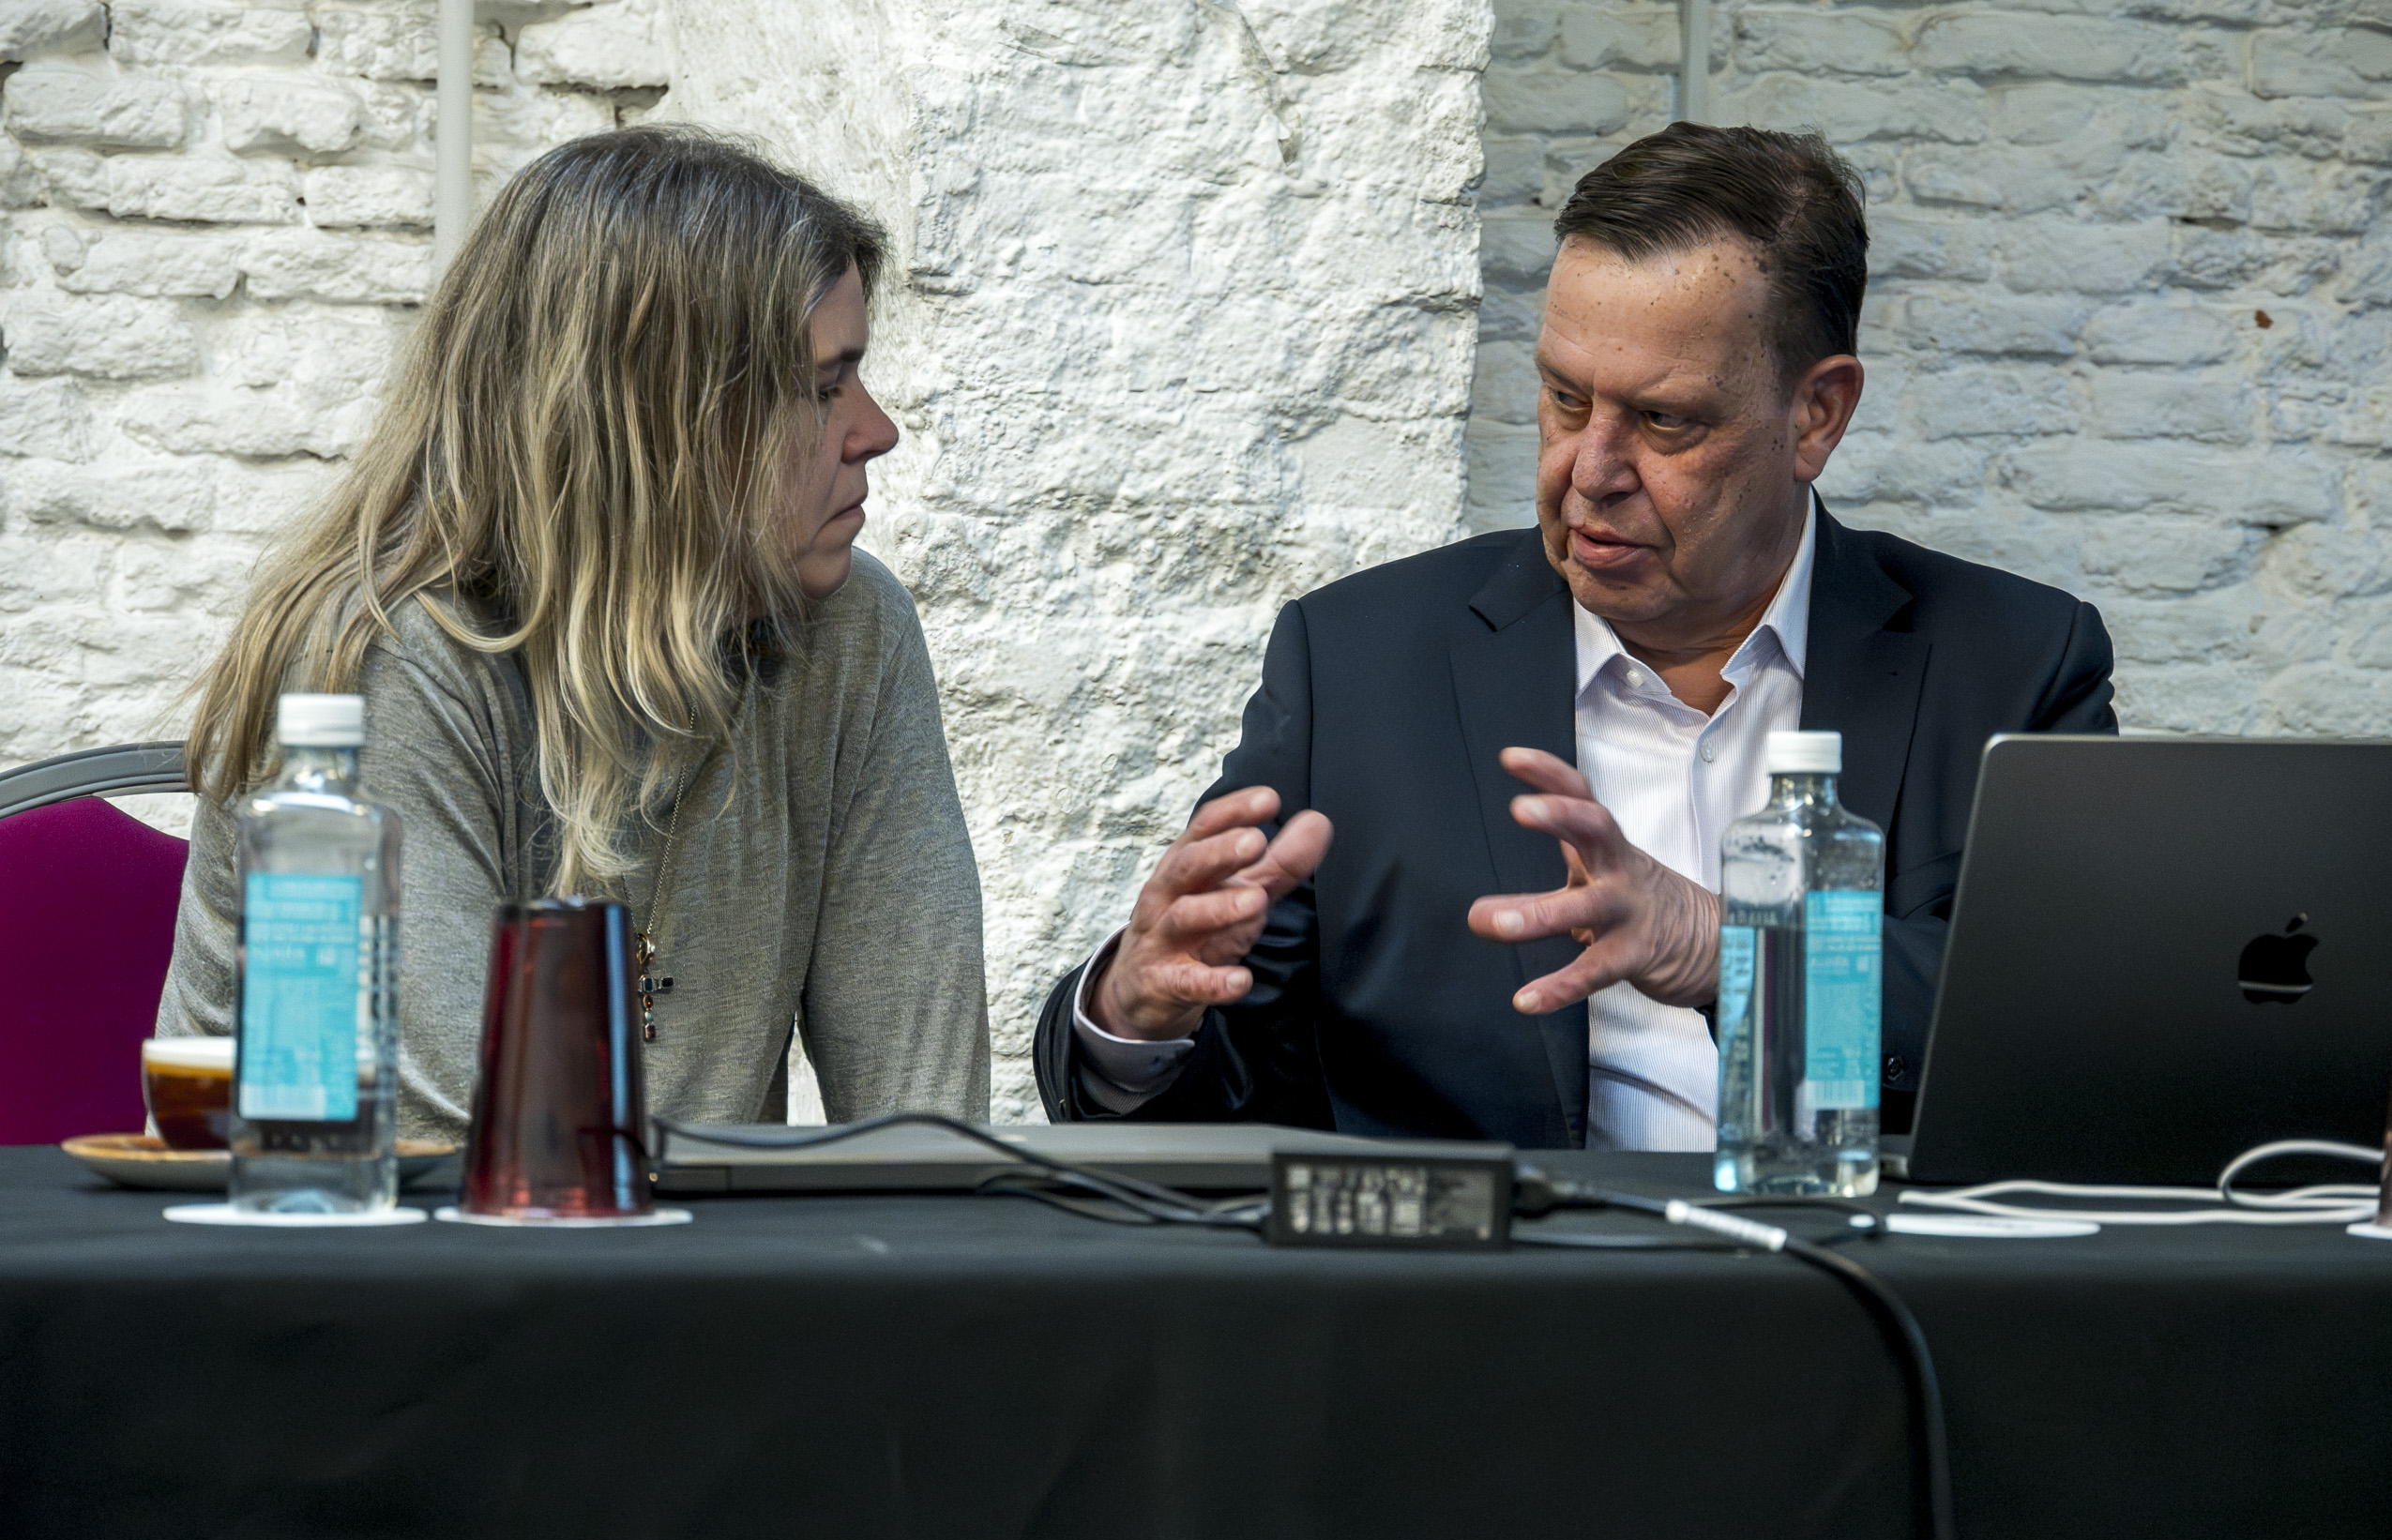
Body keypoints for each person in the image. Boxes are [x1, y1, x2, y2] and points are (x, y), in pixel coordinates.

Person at [1032, 123, 2115, 1150]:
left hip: (1863, 1276)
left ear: (1816, 414)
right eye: (1563, 397)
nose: (1588, 470)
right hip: (1491, 1283)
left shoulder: (2014, 664)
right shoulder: (1359, 664)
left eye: (1664, 419)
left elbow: (2084, 1031)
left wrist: (1735, 950)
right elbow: (1214, 1106)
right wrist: (1134, 1013)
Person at [160, 128, 990, 1140]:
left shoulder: (848, 631)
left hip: (681, 1245)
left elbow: (926, 1137)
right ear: (659, 422)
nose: (876, 430)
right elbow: (454, 1160)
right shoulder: (375, 664)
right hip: (361, 1243)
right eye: (823, 388)